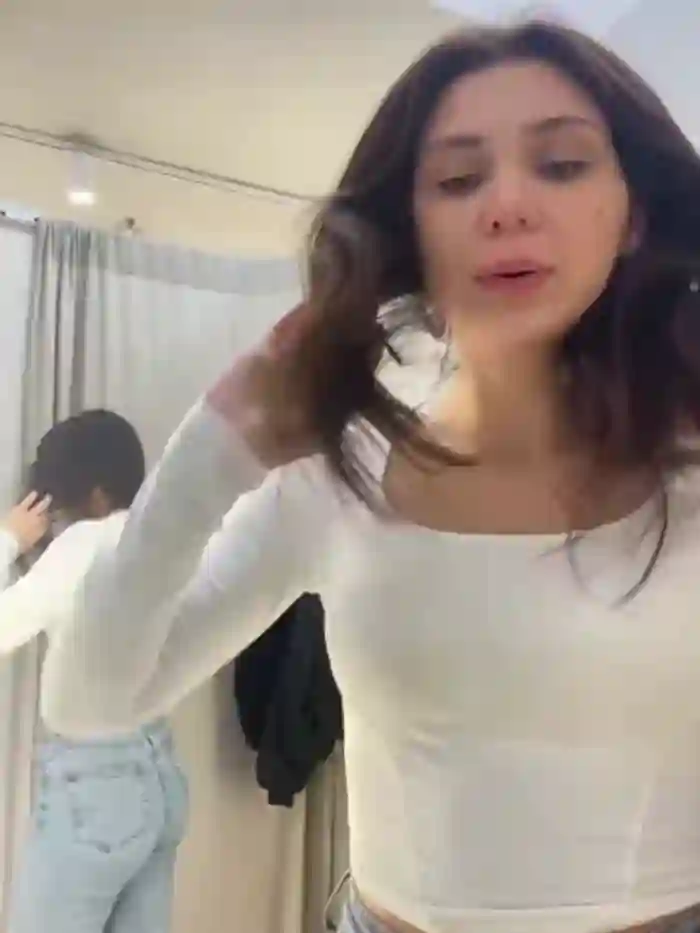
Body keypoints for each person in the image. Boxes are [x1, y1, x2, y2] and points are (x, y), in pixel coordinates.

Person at [38, 19, 700, 933]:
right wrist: (214, 448)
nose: (506, 204)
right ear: (409, 232)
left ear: (635, 217)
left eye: (561, 164)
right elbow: (88, 699)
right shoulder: (339, 472)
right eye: (458, 179)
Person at [1, 411, 188, 933]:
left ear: (96, 494)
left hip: (96, 788)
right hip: (160, 773)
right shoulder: (166, 540)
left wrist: (9, 539)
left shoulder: (85, 544)